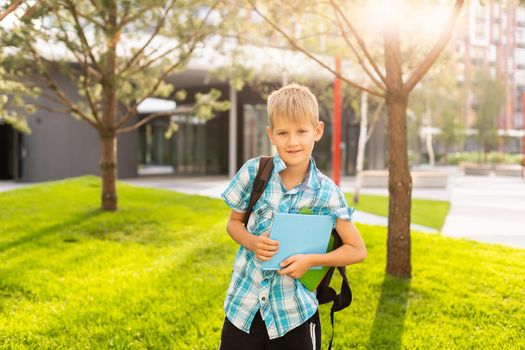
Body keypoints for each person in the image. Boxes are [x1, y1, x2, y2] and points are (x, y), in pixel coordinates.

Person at [219, 83, 367, 350]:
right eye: (283, 133)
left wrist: (312, 260)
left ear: (317, 131)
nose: (293, 141)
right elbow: (234, 223)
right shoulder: (254, 173)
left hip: (295, 315)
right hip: (244, 309)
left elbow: (357, 250)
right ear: (271, 135)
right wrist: (252, 242)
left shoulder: (327, 194)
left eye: (301, 131)